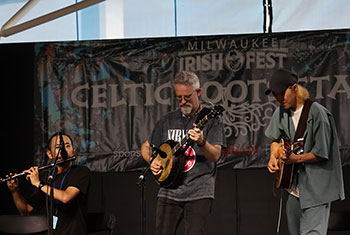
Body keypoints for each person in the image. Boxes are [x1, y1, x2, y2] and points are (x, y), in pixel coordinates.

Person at [141, 71, 226, 235]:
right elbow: (146, 146)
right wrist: (152, 161)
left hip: (198, 191)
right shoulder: (167, 120)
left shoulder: (211, 120)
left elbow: (215, 155)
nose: (182, 101)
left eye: (187, 97)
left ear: (198, 92)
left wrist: (202, 142)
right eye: (178, 97)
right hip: (169, 190)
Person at [265, 68, 345, 235]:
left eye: (282, 93)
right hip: (295, 188)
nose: (279, 98)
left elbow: (321, 153)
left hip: (317, 188)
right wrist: (273, 156)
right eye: (275, 95)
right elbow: (274, 139)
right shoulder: (281, 112)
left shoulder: (318, 114)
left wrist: (296, 159)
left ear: (294, 88)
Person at [6, 132, 91, 235]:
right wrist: (15, 190)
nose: (63, 150)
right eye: (58, 147)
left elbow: (66, 197)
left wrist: (38, 183)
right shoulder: (48, 178)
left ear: (73, 151)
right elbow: (25, 211)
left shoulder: (81, 172)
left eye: (67, 146)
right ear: (49, 154)